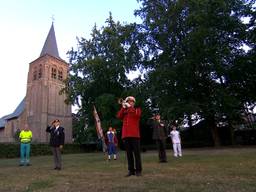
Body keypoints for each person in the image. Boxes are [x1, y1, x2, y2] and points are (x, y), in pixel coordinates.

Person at [117, 96, 142, 177]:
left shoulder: (137, 110)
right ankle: (131, 170)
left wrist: (130, 107)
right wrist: (123, 108)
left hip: (135, 135)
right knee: (129, 154)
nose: (129, 102)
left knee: (137, 154)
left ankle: (138, 170)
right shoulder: (125, 111)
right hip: (126, 135)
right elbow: (119, 116)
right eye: (128, 101)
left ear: (133, 103)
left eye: (131, 101)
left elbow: (137, 115)